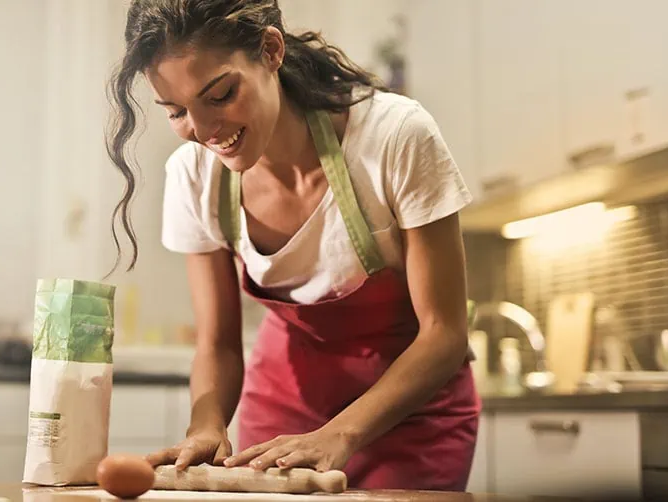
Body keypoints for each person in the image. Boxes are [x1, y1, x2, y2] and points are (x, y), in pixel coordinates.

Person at [105, 0, 480, 491]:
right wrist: (206, 426)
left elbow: (444, 334)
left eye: (219, 95)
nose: (202, 131)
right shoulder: (193, 176)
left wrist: (339, 434)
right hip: (283, 408)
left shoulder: (393, 138)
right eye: (176, 111)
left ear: (271, 50)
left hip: (412, 416)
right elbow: (217, 343)